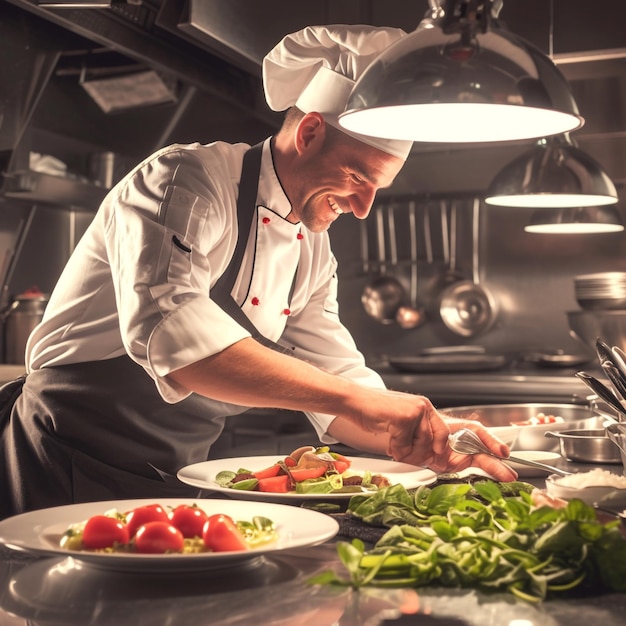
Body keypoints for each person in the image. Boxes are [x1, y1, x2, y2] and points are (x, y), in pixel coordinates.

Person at [0, 25, 516, 519]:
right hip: (67, 456)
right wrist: (360, 399)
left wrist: (431, 439)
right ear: (311, 130)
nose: (363, 208)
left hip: (173, 473)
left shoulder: (311, 248)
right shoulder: (184, 181)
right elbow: (176, 343)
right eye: (358, 177)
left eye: (375, 189)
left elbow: (337, 377)